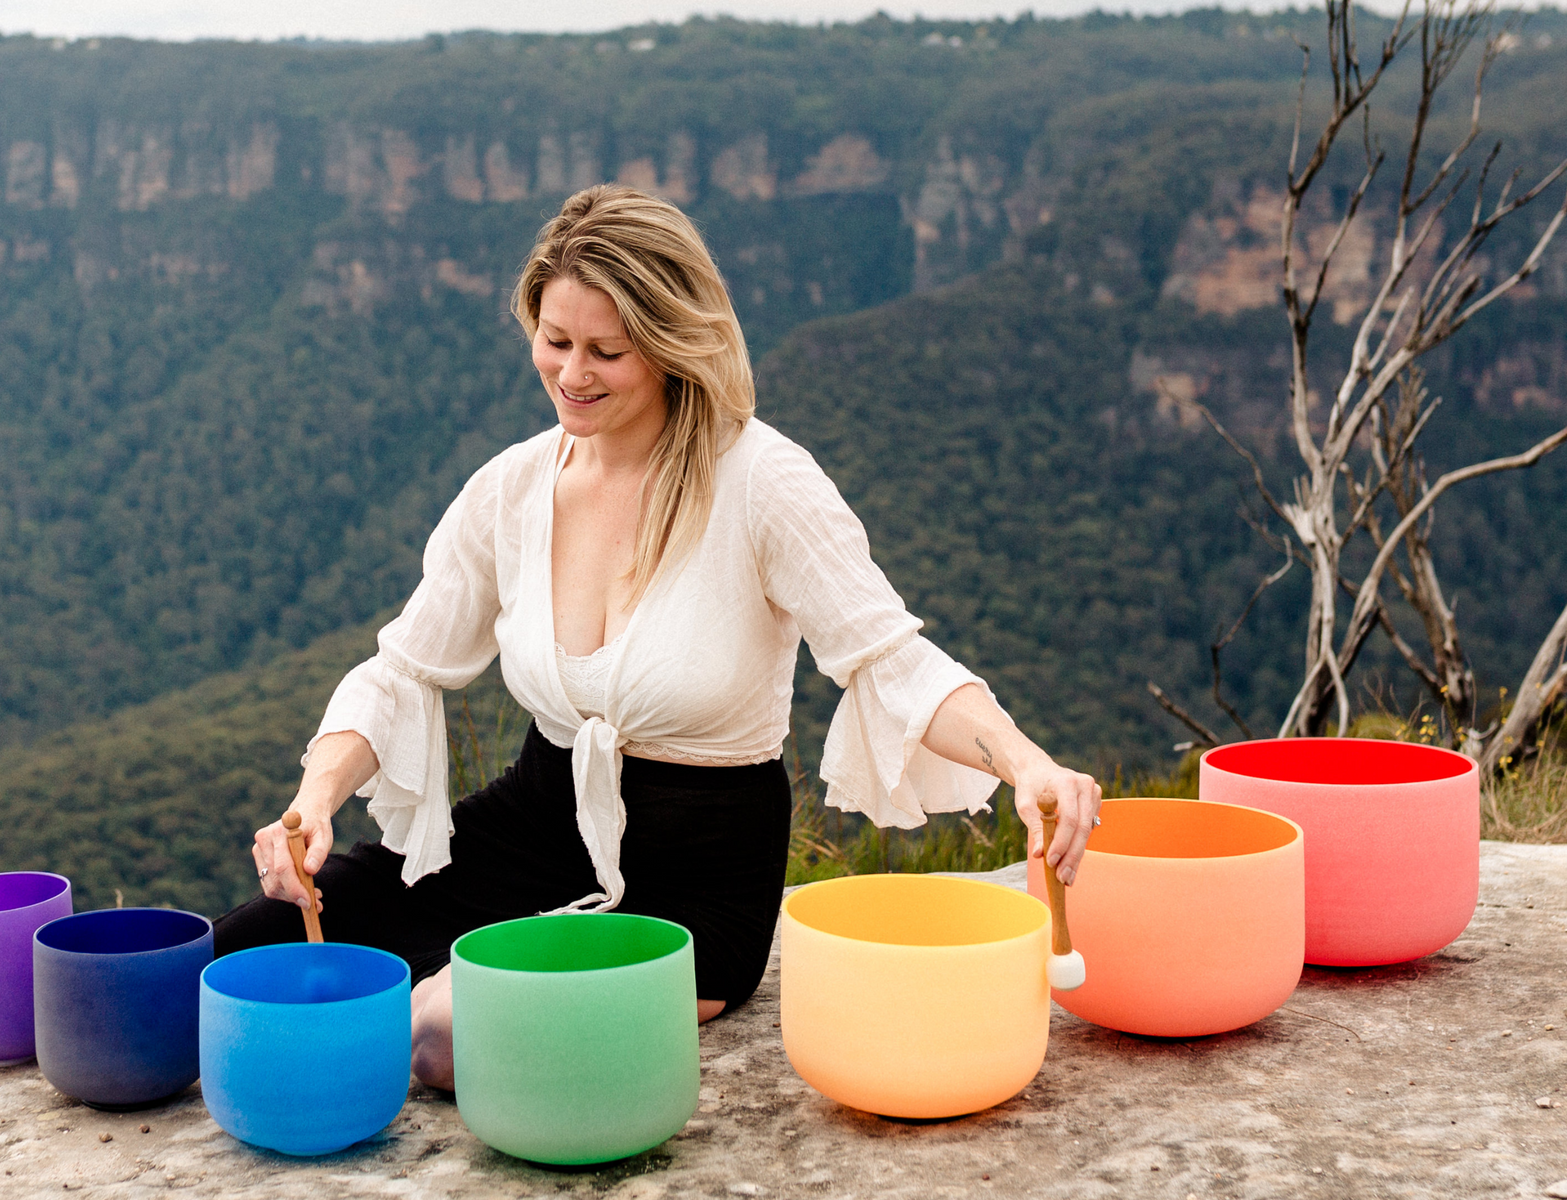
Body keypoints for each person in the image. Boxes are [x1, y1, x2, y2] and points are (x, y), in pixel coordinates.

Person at [212, 184, 1102, 1090]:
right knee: (245, 952)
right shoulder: (511, 489)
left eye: (608, 351)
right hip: (531, 830)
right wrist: (315, 801)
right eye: (554, 341)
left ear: (675, 345)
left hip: (699, 876)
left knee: (441, 1031)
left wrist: (1024, 763)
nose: (572, 374)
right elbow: (403, 670)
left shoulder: (764, 482)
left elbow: (890, 660)